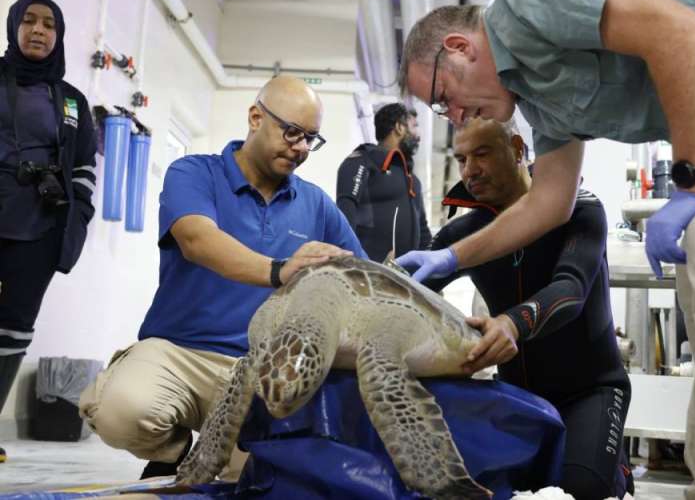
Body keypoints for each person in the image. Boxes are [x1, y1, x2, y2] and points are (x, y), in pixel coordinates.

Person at [396, 0, 695, 498]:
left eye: (442, 96)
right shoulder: (538, 101)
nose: (453, 116)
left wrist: (693, 182)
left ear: (459, 47)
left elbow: (681, 32)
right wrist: (450, 257)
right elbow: (550, 200)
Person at [79, 75, 366, 479]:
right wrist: (278, 270)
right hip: (179, 353)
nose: (301, 147)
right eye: (292, 132)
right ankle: (172, 453)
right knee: (121, 411)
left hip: (260, 371)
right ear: (255, 118)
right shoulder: (195, 173)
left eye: (310, 138)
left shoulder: (316, 205)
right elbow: (197, 240)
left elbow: (362, 275)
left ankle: (225, 460)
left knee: (261, 476)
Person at [423, 118, 632, 499]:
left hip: (591, 392)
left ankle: (615, 473)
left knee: (578, 490)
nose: (469, 171)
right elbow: (409, 288)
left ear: (518, 149)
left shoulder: (580, 209)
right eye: (461, 159)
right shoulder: (463, 232)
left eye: (481, 154)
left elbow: (570, 290)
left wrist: (512, 323)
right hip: (518, 395)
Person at [0, 0, 97, 464]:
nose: (39, 31)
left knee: (14, 330)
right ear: (13, 27)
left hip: (39, 229)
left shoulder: (72, 99)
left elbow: (84, 166)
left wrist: (75, 219)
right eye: (30, 21)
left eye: (49, 25)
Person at [336, 103, 431, 261]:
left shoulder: (413, 180)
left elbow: (423, 231)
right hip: (368, 271)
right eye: (414, 126)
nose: (419, 135)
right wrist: (354, 263)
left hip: (407, 274)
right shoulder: (361, 161)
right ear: (399, 127)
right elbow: (345, 214)